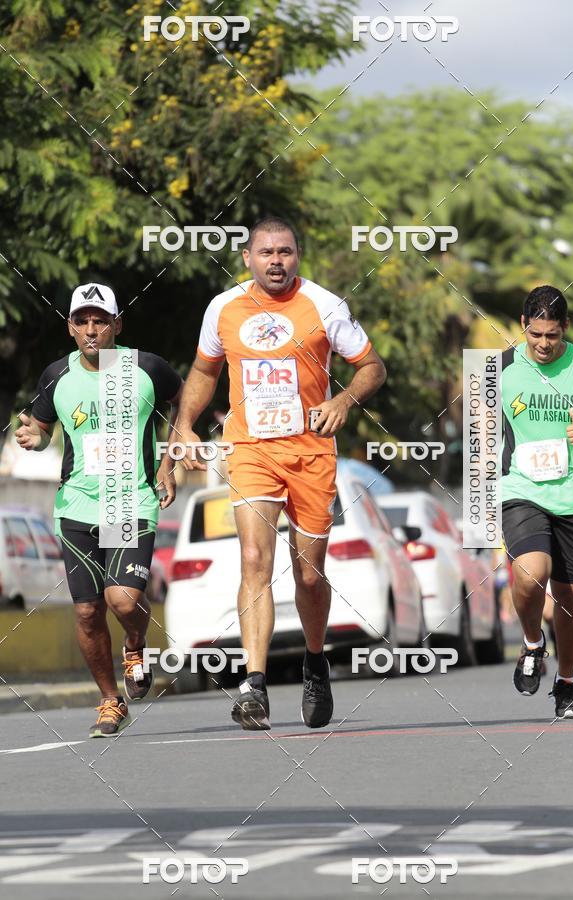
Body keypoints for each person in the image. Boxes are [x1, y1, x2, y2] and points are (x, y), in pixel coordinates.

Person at [173, 217, 386, 730]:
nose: (276, 261)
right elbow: (205, 371)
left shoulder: (325, 305)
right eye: (265, 252)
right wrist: (184, 425)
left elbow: (373, 367)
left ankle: (315, 660)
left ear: (298, 256)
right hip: (249, 449)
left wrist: (343, 400)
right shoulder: (222, 308)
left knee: (309, 575)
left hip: (311, 453)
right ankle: (255, 683)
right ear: (247, 257)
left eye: (285, 252)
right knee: (253, 558)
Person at [15, 283, 182, 737]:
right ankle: (110, 701)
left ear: (117, 325)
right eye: (82, 321)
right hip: (76, 505)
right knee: (87, 612)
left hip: (130, 499)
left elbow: (185, 402)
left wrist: (169, 462)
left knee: (121, 599)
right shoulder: (56, 374)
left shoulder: (147, 368)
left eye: (100, 320)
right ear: (70, 327)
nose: (92, 330)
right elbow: (42, 427)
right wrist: (35, 438)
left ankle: (135, 643)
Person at [501, 285, 573, 718]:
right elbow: (480, 439)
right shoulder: (498, 368)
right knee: (529, 574)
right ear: (524, 326)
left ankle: (565, 684)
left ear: (565, 331)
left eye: (553, 336)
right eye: (536, 335)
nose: (543, 344)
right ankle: (532, 643)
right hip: (520, 489)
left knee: (570, 594)